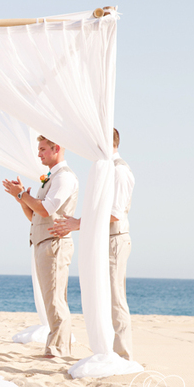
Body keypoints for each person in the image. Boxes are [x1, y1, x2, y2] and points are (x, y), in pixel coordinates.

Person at [49, 128, 135, 360]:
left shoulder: (119, 172)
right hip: (104, 239)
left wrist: (78, 223)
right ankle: (111, 351)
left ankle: (123, 354)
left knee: (116, 298)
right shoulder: (106, 170)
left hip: (114, 240)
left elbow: (115, 213)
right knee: (105, 296)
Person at [2, 135, 78, 358]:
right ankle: (56, 347)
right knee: (50, 299)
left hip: (55, 244)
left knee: (55, 299)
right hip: (43, 242)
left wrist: (23, 194)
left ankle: (58, 350)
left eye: (43, 149)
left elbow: (46, 210)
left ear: (57, 148)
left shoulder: (64, 178)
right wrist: (21, 198)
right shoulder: (52, 178)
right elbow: (35, 216)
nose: (39, 154)